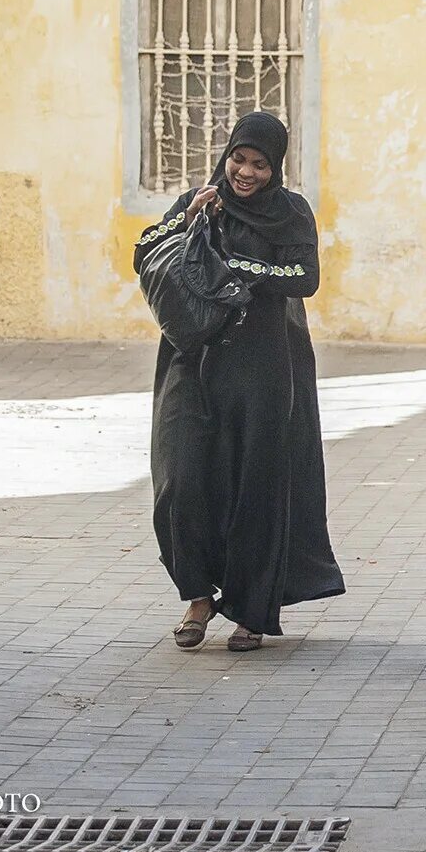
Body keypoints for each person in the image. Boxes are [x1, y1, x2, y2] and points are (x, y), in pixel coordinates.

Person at [133, 112, 344, 652]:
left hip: (264, 363)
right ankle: (198, 597)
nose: (245, 172)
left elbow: (306, 278)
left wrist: (240, 269)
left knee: (257, 484)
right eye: (239, 159)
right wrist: (188, 220)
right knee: (180, 479)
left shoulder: (290, 212)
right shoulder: (199, 200)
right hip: (193, 357)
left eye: (259, 164)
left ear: (276, 169)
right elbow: (144, 251)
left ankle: (251, 611)